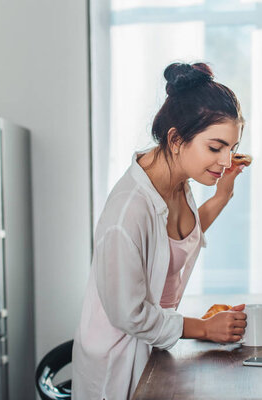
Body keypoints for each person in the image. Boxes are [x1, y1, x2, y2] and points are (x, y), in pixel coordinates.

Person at [72, 62, 248, 400]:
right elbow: (129, 313)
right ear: (176, 139)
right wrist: (203, 329)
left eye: (232, 147)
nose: (226, 161)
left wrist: (222, 195)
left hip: (155, 351)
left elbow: (174, 239)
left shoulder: (177, 177)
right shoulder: (127, 212)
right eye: (215, 147)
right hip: (117, 366)